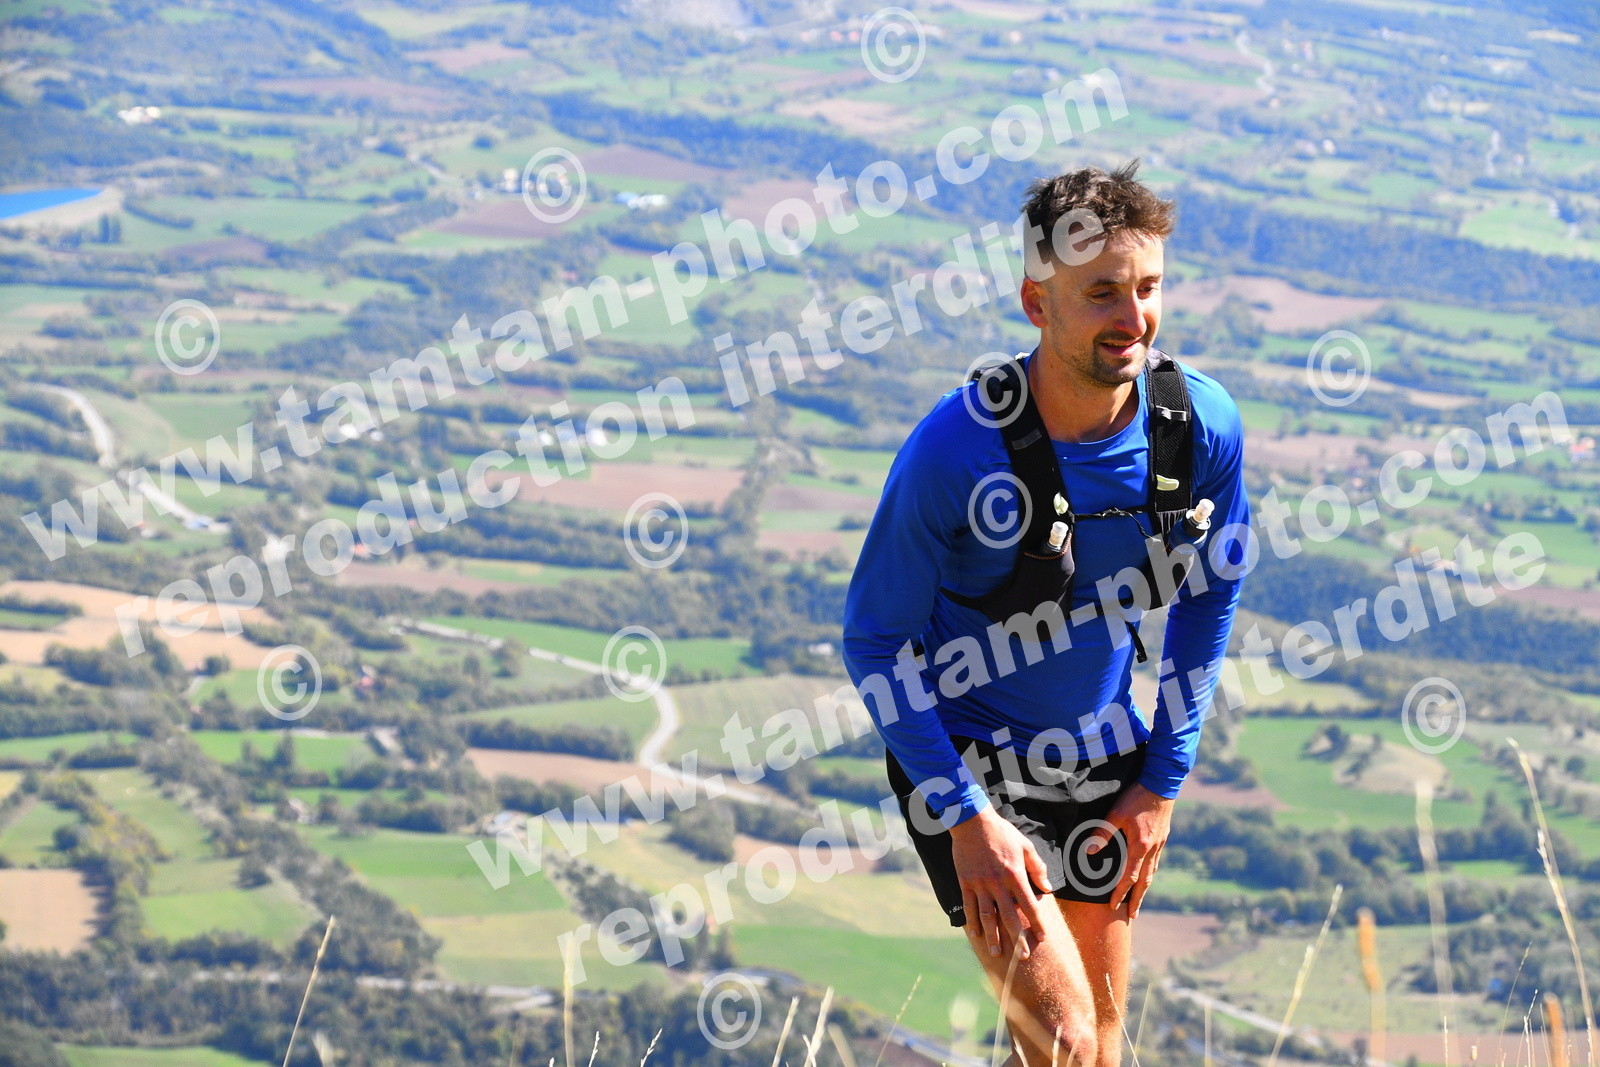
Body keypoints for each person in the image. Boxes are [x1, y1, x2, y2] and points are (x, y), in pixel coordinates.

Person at [840, 161, 1250, 1067]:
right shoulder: (957, 448)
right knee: (1062, 1043)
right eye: (1101, 292)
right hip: (970, 762)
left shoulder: (1200, 426)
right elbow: (873, 640)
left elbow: (1212, 591)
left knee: (1098, 1050)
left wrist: (1161, 781)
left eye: (1147, 288)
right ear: (1037, 302)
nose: (1132, 317)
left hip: (1107, 754)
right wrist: (963, 816)